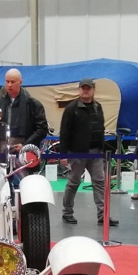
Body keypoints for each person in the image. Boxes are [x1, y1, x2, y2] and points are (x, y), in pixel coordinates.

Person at [58, 78, 118, 226]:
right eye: (83, 88)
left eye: (88, 88)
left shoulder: (98, 107)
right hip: (77, 153)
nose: (85, 90)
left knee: (100, 183)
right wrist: (63, 154)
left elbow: (101, 128)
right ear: (79, 90)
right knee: (73, 182)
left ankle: (103, 215)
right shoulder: (71, 108)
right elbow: (64, 132)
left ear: (93, 90)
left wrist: (102, 149)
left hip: (96, 153)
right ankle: (67, 213)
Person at [0, 68, 49, 176]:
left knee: (26, 180)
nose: (9, 85)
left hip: (24, 150)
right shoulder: (2, 102)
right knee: (2, 180)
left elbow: (42, 130)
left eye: (12, 82)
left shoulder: (33, 104)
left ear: (20, 82)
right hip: (2, 149)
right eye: (7, 81)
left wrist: (25, 145)